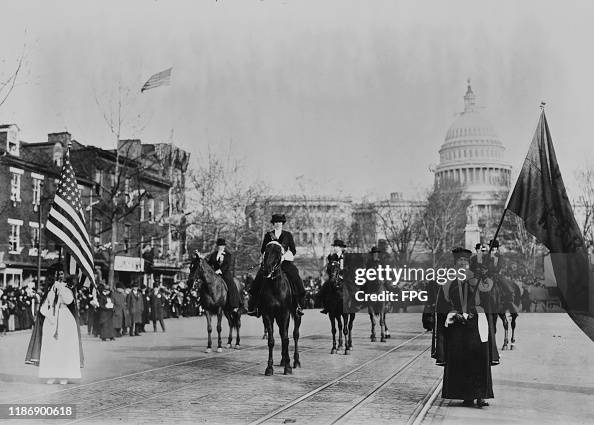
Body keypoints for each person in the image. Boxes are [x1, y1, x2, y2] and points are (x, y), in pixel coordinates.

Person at [441, 247, 494, 407]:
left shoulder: (475, 278)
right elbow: (445, 301)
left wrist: (485, 276)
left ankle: (480, 395)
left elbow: (487, 290)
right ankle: (466, 395)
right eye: (459, 261)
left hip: (476, 321)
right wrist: (454, 313)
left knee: (479, 358)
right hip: (458, 323)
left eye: (465, 261)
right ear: (455, 263)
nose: (462, 263)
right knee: (461, 359)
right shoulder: (448, 280)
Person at [25, 263, 83, 385]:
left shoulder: (68, 288)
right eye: (57, 274)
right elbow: (44, 306)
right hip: (51, 320)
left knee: (64, 348)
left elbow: (69, 301)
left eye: (62, 273)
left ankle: (64, 375)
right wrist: (48, 314)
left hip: (65, 319)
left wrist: (61, 289)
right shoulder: (50, 289)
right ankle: (51, 374)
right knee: (51, 348)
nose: (60, 276)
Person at [247, 214, 305, 317]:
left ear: (282, 224)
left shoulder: (288, 235)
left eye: (280, 222)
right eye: (276, 222)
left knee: (296, 278)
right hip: (270, 263)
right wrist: (268, 259)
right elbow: (263, 250)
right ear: (273, 224)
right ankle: (255, 307)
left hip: (285, 262)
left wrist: (284, 257)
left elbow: (293, 250)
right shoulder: (268, 235)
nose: (278, 224)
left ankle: (298, 305)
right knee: (258, 279)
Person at [207, 238, 240, 313]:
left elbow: (227, 264)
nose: (220, 247)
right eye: (218, 245)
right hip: (215, 274)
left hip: (225, 273)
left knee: (231, 284)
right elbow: (209, 263)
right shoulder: (213, 254)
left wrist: (220, 270)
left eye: (221, 245)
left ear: (224, 246)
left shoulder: (228, 254)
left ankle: (234, 304)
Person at [319, 239, 347, 314]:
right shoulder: (332, 256)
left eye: (336, 246)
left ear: (340, 247)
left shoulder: (344, 255)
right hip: (333, 277)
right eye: (334, 246)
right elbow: (329, 268)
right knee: (325, 287)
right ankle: (326, 306)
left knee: (351, 286)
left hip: (344, 276)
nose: (335, 248)